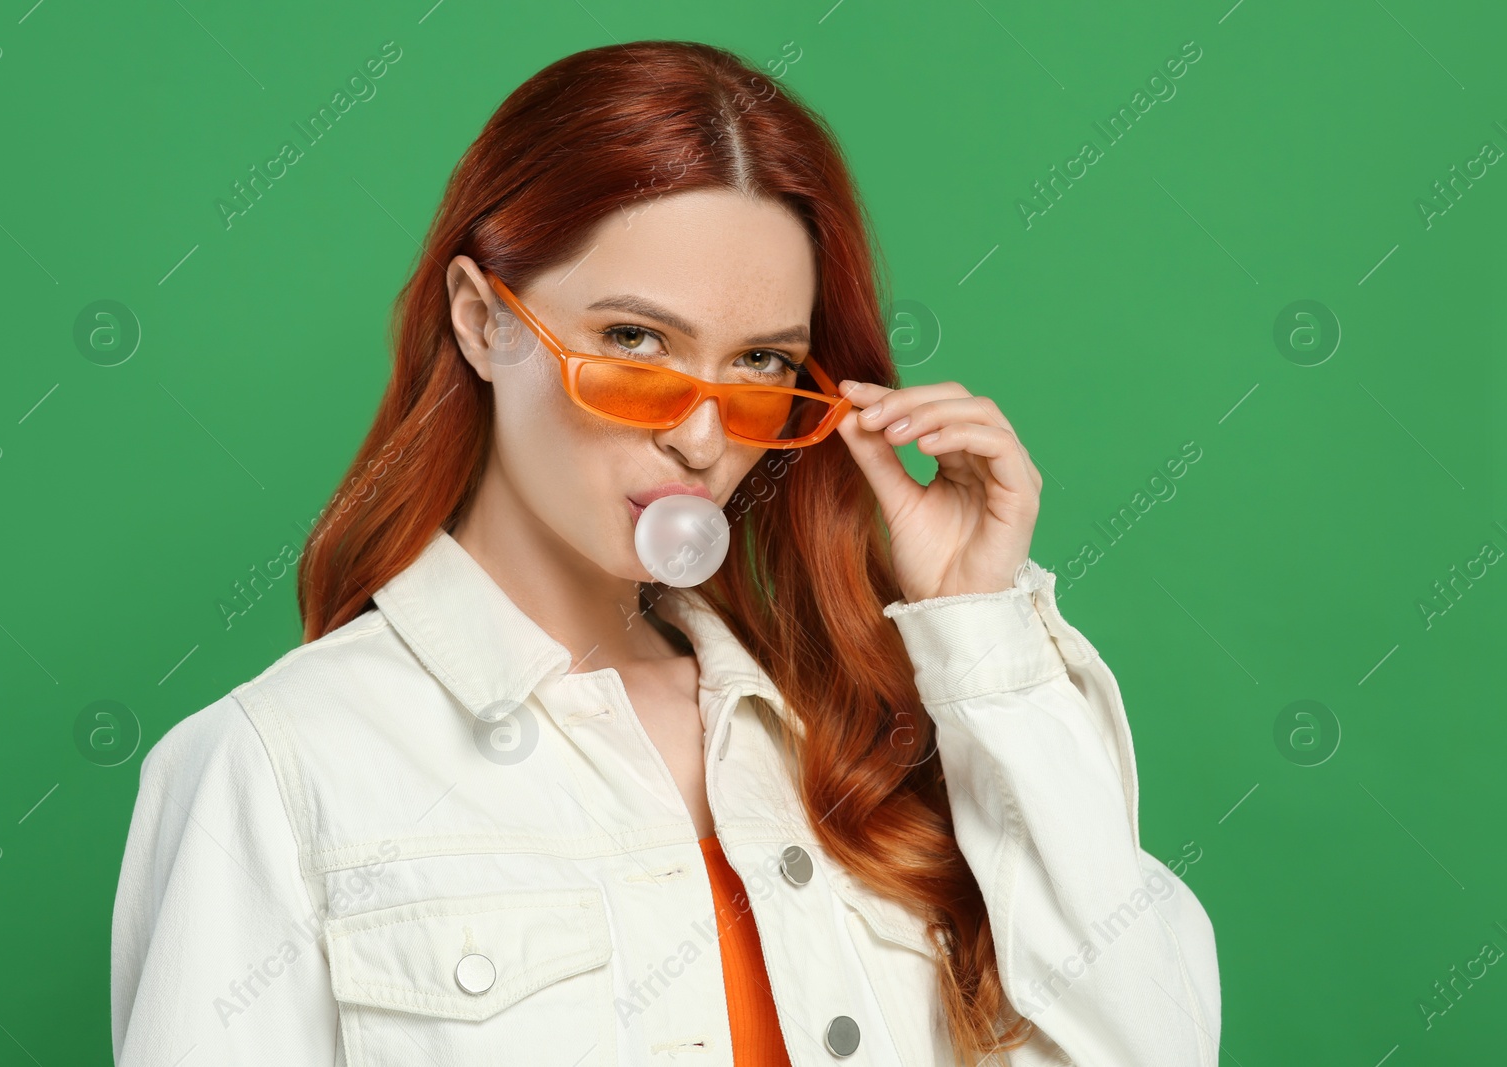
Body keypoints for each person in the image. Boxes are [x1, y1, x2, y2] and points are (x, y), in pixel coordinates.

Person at [111, 39, 1220, 1067]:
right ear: (482, 320)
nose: (698, 432)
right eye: (634, 340)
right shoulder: (275, 764)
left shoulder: (852, 733)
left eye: (757, 366)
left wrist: (982, 640)